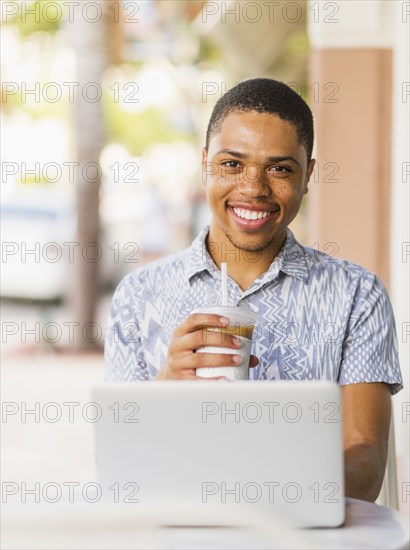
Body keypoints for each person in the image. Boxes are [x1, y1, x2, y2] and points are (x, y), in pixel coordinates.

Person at [104, 78, 402, 502]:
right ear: (205, 163)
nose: (254, 188)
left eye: (280, 168)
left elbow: (366, 461)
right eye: (232, 164)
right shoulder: (138, 295)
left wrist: (259, 492)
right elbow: (118, 468)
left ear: (308, 175)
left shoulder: (357, 294)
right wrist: (163, 390)